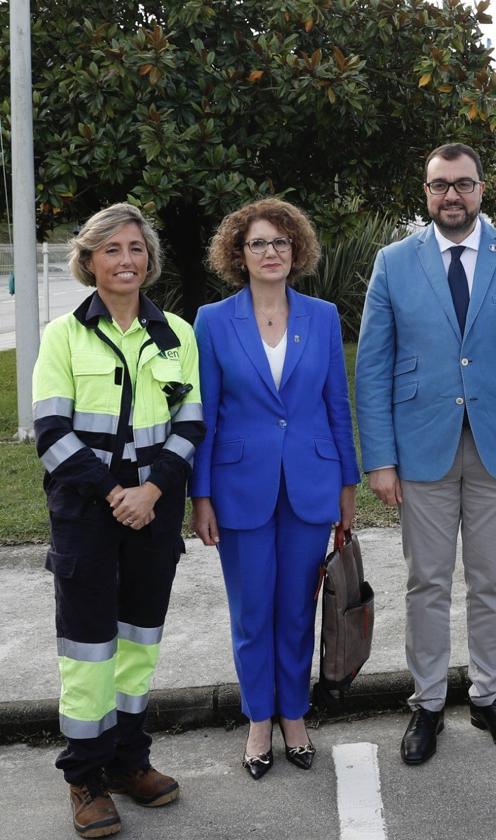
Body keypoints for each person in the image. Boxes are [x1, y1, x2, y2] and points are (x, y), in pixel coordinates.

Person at [355, 143, 496, 765]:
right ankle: (426, 703)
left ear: (481, 191)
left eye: (464, 185)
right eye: (440, 185)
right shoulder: (394, 263)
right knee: (427, 582)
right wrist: (380, 458)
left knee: (490, 580)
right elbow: (372, 369)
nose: (452, 195)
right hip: (422, 449)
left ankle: (490, 695)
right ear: (426, 192)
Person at [33, 203, 204, 837]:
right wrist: (116, 493)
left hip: (154, 516)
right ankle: (85, 776)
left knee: (137, 644)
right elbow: (51, 432)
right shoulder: (63, 335)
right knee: (87, 651)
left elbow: (191, 424)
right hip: (88, 515)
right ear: (89, 261)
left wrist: (154, 491)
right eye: (111, 249)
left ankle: (131, 761)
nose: (125, 259)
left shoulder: (177, 334)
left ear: (149, 259)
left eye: (135, 247)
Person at [190, 198, 359, 779]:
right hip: (239, 490)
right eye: (259, 243)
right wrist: (201, 494)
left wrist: (347, 484)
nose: (271, 252)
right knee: (252, 614)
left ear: (297, 251)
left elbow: (336, 405)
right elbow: (205, 415)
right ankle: (258, 718)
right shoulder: (212, 321)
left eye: (281, 243)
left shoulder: (323, 315)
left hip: (311, 486)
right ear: (239, 253)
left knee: (297, 611)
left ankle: (295, 715)